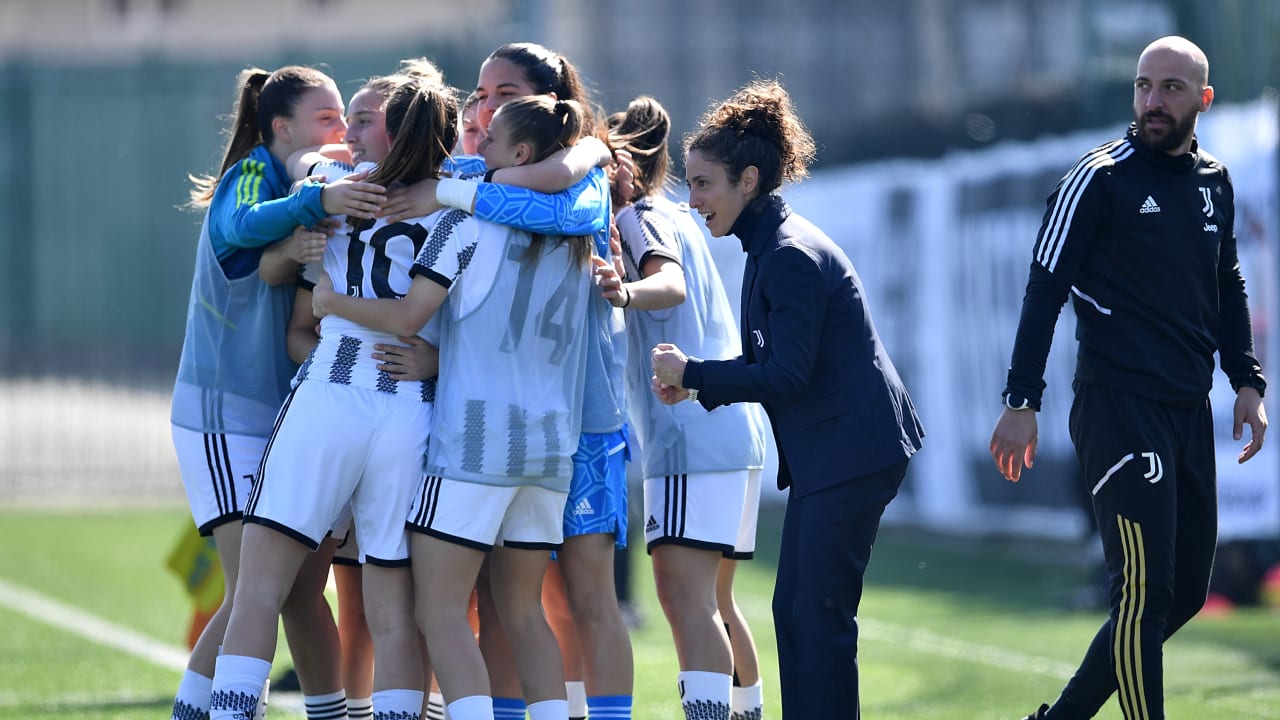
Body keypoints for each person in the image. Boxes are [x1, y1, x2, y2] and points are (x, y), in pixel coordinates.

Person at [989, 36, 1268, 720]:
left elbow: (1226, 282)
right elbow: (1044, 288)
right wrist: (1022, 399)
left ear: (1203, 99)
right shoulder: (1099, 178)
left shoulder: (1214, 183)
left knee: (1184, 596)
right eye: (1144, 85)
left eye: (1172, 88)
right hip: (1117, 407)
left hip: (1185, 407)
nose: (1153, 101)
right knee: (1141, 595)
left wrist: (1246, 380)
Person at [314, 94, 596, 720]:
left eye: (489, 138)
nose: (475, 146)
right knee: (526, 615)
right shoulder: (581, 226)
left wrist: (330, 303)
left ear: (521, 154)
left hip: (474, 444)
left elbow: (412, 314)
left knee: (438, 613)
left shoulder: (462, 220)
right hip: (550, 447)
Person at [650, 78, 924, 719]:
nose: (693, 201)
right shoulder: (768, 244)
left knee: (817, 611)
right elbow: (773, 363)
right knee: (796, 610)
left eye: (704, 184)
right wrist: (695, 380)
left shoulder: (789, 253)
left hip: (853, 450)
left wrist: (694, 373)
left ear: (747, 180)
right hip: (837, 451)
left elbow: (786, 375)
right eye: (689, 183)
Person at [206, 79, 459, 720]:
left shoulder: (331, 180)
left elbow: (297, 166)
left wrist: (324, 178)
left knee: (260, 589)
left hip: (332, 394)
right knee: (393, 610)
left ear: (391, 135)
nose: (348, 134)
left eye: (362, 121)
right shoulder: (464, 201)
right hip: (410, 406)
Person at [168, 64, 384, 720]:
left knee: (295, 591)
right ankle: (196, 710)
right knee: (252, 591)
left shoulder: (323, 186)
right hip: (223, 410)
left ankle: (334, 712)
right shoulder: (257, 174)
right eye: (326, 118)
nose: (340, 129)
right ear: (281, 127)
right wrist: (316, 208)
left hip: (286, 415)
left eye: (345, 116)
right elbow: (237, 229)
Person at [597, 96, 767, 720]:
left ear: (618, 164)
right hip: (731, 428)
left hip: (690, 433)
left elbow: (667, 284)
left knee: (684, 600)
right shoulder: (672, 212)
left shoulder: (638, 215)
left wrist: (622, 293)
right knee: (717, 602)